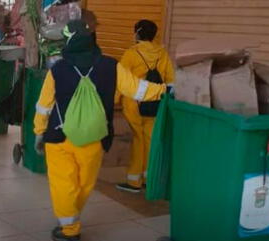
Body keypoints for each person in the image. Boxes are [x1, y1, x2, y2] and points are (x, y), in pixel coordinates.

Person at [33, 20, 168, 241]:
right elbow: (139, 89)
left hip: (60, 137)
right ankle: (71, 216)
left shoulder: (58, 69)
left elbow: (44, 104)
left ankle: (69, 227)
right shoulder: (110, 66)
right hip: (94, 138)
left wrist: (39, 130)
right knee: (84, 183)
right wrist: (166, 90)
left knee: (63, 182)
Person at [116, 20, 174, 193]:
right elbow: (170, 79)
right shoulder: (162, 53)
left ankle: (134, 181)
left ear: (137, 33)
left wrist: (114, 100)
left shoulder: (131, 54)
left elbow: (121, 79)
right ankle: (149, 179)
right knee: (150, 139)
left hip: (134, 104)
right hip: (156, 102)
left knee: (138, 140)